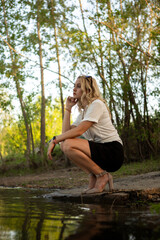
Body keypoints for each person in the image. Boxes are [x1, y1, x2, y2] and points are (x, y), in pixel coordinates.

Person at [47, 75, 124, 194]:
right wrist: (68, 109)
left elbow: (79, 130)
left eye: (78, 86)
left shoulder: (96, 104)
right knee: (65, 144)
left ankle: (101, 176)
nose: (74, 89)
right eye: (74, 86)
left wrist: (54, 140)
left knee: (67, 144)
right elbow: (66, 134)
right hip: (100, 152)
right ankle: (94, 175)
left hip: (113, 151)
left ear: (87, 90)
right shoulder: (85, 112)